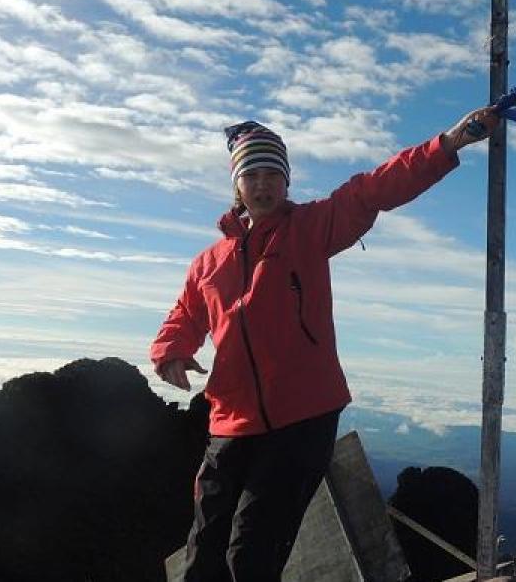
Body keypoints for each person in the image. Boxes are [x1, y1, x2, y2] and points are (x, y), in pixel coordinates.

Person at [150, 106, 498, 582]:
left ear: (288, 182)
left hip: (302, 418)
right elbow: (187, 313)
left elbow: (373, 189)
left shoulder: (310, 229)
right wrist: (169, 350)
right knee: (201, 554)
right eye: (253, 174)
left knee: (250, 557)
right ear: (237, 186)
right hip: (230, 418)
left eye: (274, 173)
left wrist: (448, 143)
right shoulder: (208, 262)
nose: (264, 184)